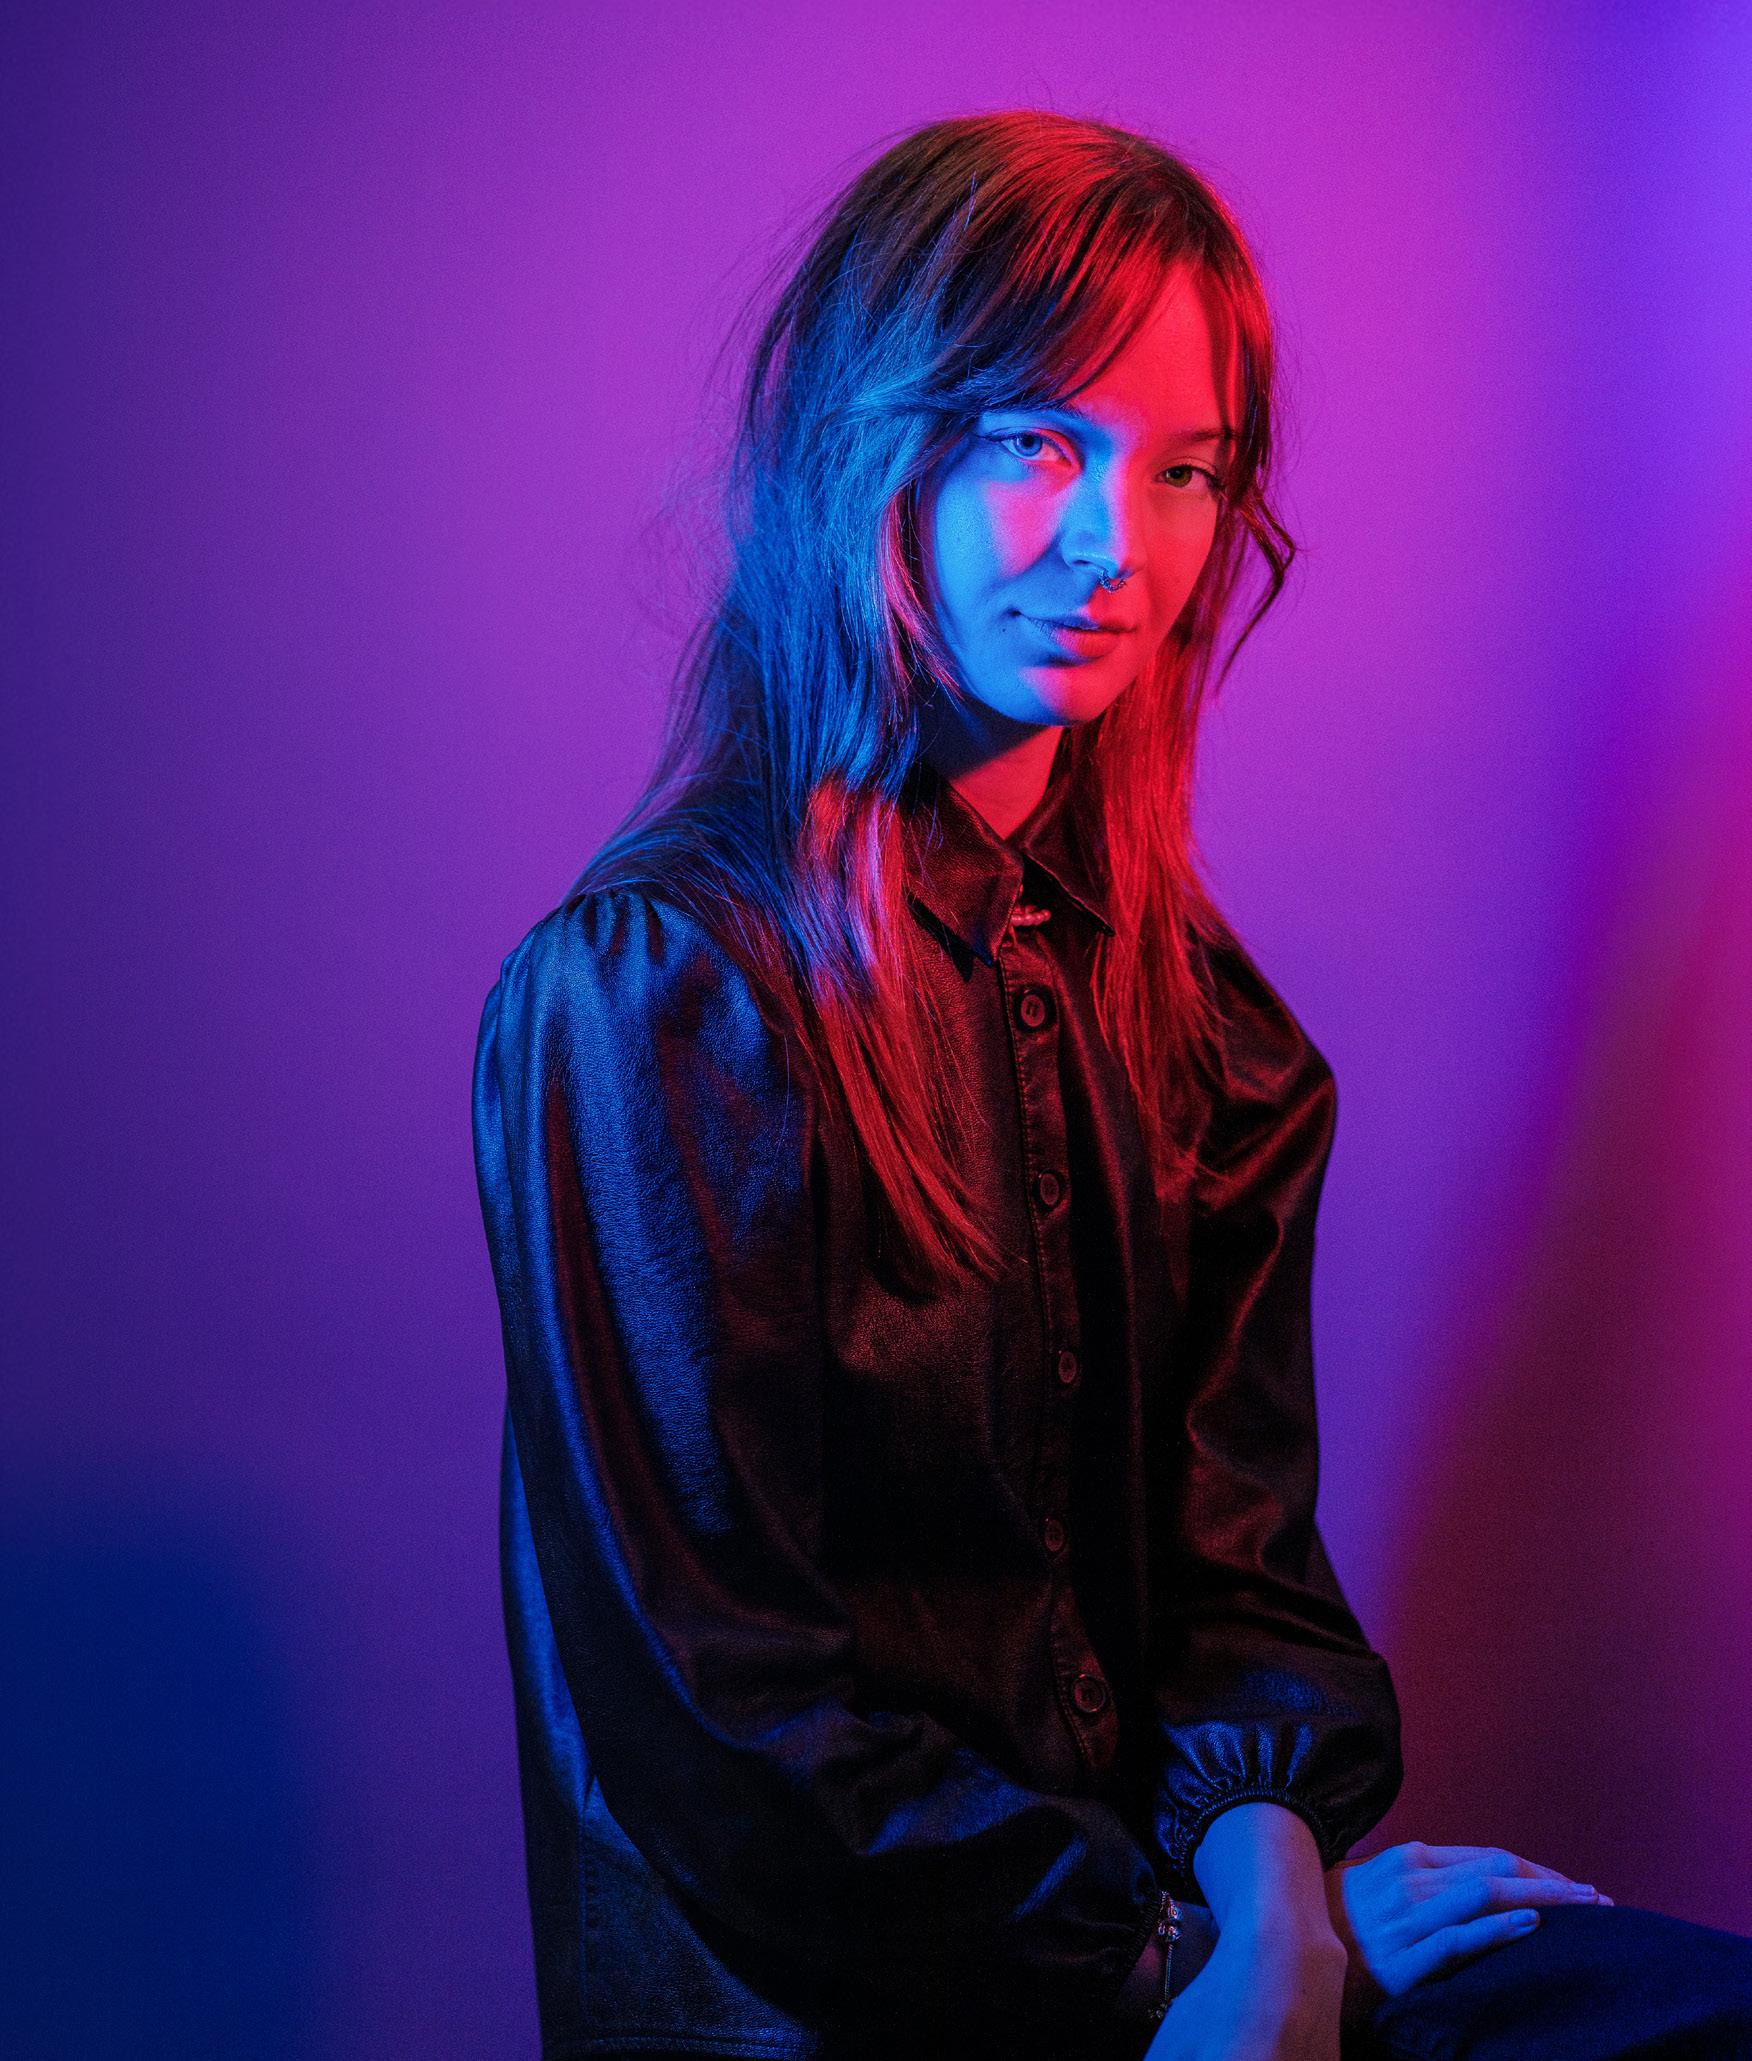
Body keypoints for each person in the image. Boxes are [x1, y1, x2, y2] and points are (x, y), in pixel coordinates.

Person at [471, 110, 1752, 2060]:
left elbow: (1240, 1586)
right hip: (859, 2006)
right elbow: (725, 1714)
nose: (1119, 548)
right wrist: (1175, 1955)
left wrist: (1277, 1922)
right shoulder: (658, 997)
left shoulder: (1206, 1025)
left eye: (1188, 470)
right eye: (1035, 443)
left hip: (1200, 1944)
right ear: (873, 447)